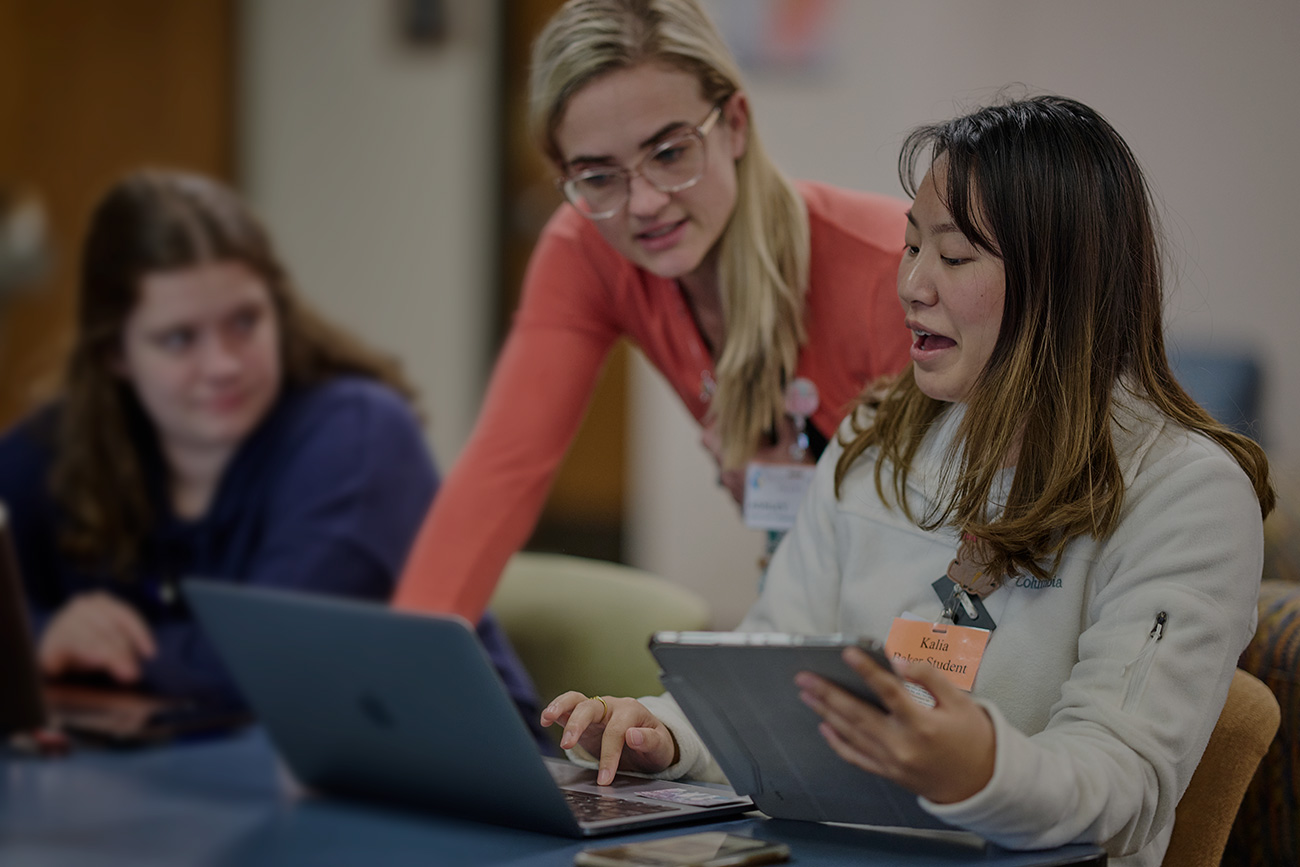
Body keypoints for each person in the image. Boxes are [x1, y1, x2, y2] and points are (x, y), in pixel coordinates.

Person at [540, 95, 1275, 866]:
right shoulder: (877, 436)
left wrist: (979, 767)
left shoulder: (1187, 492)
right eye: (910, 246)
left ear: (1064, 282)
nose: (913, 285)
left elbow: (1120, 784)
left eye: (954, 257)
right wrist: (668, 732)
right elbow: (773, 666)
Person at [393, 0, 912, 621]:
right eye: (599, 176)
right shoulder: (586, 248)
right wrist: (406, 668)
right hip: (813, 600)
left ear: (736, 125)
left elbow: (972, 539)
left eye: (668, 153)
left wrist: (814, 500)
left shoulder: (895, 269)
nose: (642, 203)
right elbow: (501, 473)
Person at [0, 169, 545, 744]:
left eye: (245, 322)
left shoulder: (356, 437)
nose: (224, 365)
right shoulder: (59, 446)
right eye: (179, 339)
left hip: (454, 787)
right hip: (210, 791)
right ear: (115, 353)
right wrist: (42, 636)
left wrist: (90, 657)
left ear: (279, 310)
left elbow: (263, 670)